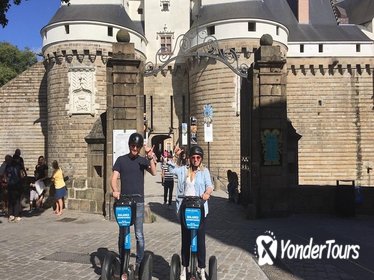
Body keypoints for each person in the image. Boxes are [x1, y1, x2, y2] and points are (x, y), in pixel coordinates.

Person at [110, 132, 157, 274]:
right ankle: (124, 262)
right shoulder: (121, 160)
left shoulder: (142, 160)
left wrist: (150, 157)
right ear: (129, 145)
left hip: (138, 202)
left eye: (137, 146)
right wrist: (115, 190)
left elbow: (154, 172)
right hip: (124, 202)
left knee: (139, 234)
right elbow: (113, 178)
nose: (135, 148)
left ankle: (139, 264)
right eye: (132, 145)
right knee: (123, 233)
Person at [169, 145, 214, 280]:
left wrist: (207, 193)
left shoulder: (204, 171)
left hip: (199, 208)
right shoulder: (183, 170)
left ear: (201, 159)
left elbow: (210, 185)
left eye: (198, 157)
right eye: (193, 157)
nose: (195, 160)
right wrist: (175, 156)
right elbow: (171, 169)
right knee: (186, 239)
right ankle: (184, 268)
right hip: (185, 207)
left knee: (200, 240)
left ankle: (201, 268)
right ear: (189, 158)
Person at [5, 157, 23, 222]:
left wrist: (7, 181)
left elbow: (6, 175)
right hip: (16, 185)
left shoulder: (8, 166)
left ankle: (12, 215)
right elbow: (21, 175)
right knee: (16, 200)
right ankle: (16, 215)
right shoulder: (17, 166)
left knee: (12, 200)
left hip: (12, 185)